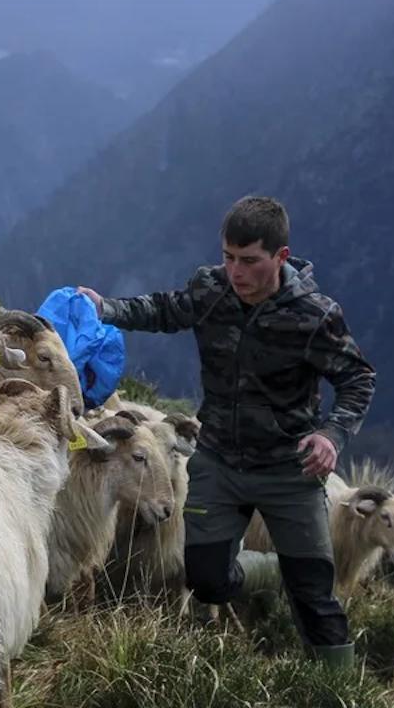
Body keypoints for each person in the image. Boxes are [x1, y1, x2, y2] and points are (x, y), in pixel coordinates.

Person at [76, 195, 375, 669]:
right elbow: (165, 309)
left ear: (280, 256)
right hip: (218, 462)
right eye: (229, 257)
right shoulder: (210, 289)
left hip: (287, 470)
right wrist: (105, 307)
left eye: (249, 260)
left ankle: (338, 689)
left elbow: (358, 378)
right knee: (205, 580)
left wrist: (331, 436)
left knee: (314, 597)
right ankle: (267, 570)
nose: (236, 271)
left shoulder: (315, 315)